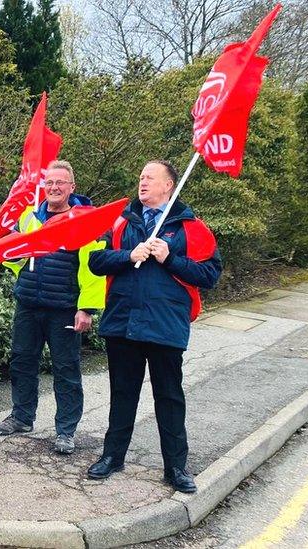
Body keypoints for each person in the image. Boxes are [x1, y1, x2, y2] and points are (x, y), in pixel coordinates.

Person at [86, 160, 222, 494]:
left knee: (169, 397)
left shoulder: (192, 228)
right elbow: (95, 261)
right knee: (122, 395)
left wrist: (170, 259)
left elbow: (209, 275)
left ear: (168, 185)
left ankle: (176, 467)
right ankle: (112, 457)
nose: (142, 182)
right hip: (123, 323)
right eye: (141, 177)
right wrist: (128, 255)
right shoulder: (119, 222)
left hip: (165, 325)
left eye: (150, 177)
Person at [0, 160, 105, 455]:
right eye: (50, 183)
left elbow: (94, 269)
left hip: (64, 308)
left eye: (60, 183)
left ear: (72, 187)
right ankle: (21, 417)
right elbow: (12, 257)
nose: (54, 188)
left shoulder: (84, 220)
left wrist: (87, 309)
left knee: (66, 370)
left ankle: (65, 431)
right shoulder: (30, 217)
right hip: (28, 303)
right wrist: (10, 250)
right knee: (21, 362)